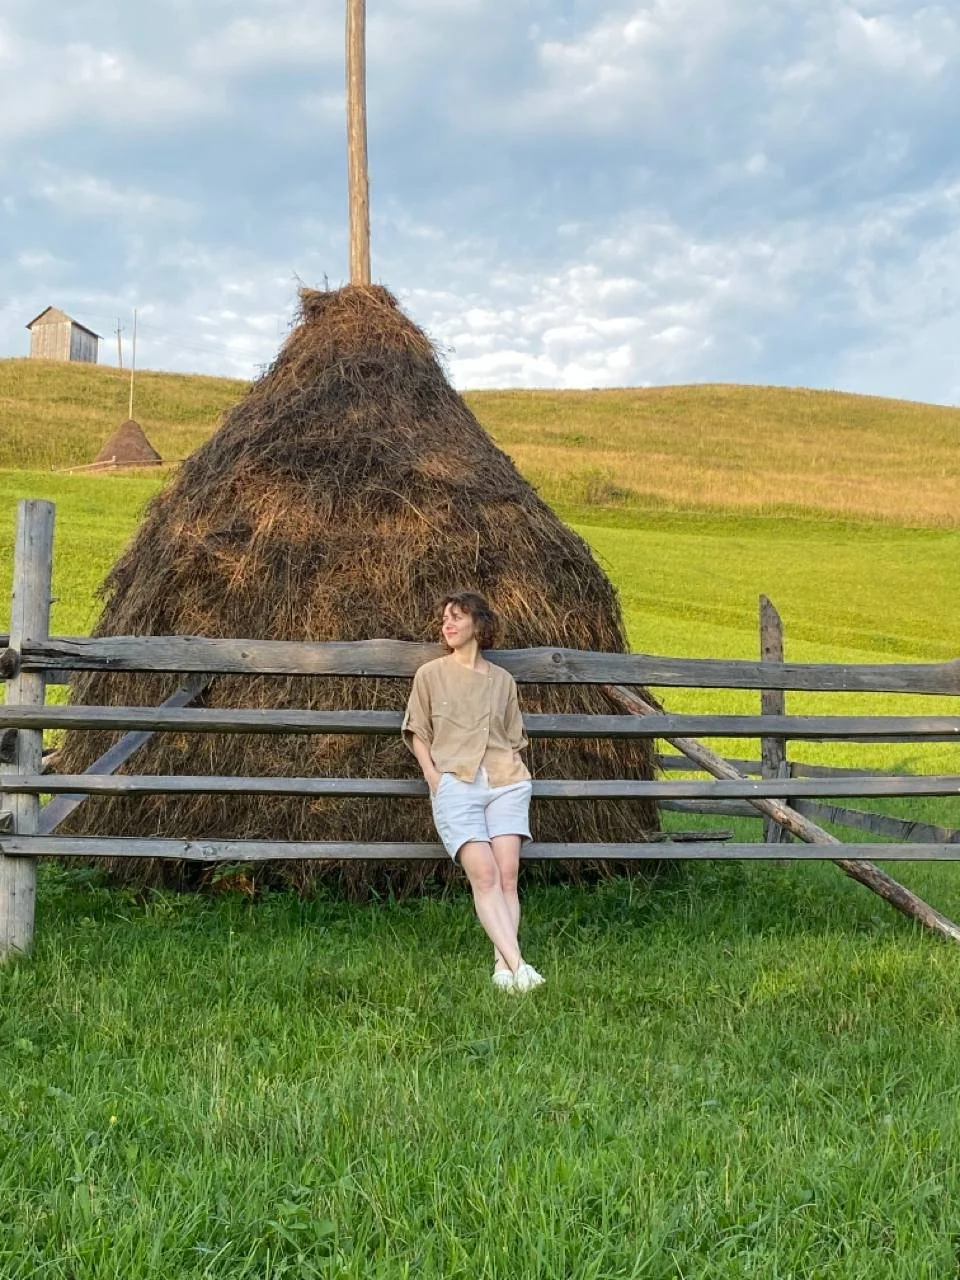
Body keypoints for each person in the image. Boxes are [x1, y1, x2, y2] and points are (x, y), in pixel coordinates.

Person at [401, 590, 545, 993]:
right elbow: (417, 731)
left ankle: (503, 969)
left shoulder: (503, 681)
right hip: (456, 784)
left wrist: (516, 772)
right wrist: (433, 777)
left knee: (507, 876)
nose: (447, 625)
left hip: (505, 782)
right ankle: (521, 966)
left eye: (457, 618)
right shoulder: (430, 674)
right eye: (444, 618)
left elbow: (514, 736)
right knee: (483, 875)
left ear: (478, 625)